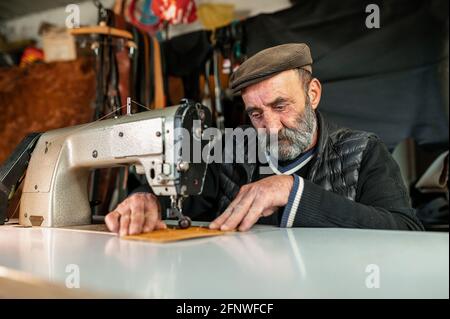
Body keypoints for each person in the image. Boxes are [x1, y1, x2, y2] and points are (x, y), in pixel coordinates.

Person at [105, 43, 424, 236]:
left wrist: (294, 191)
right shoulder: (226, 150)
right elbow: (182, 194)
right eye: (255, 113)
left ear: (312, 93)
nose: (269, 125)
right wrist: (147, 196)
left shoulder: (363, 151)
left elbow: (408, 232)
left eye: (280, 105)